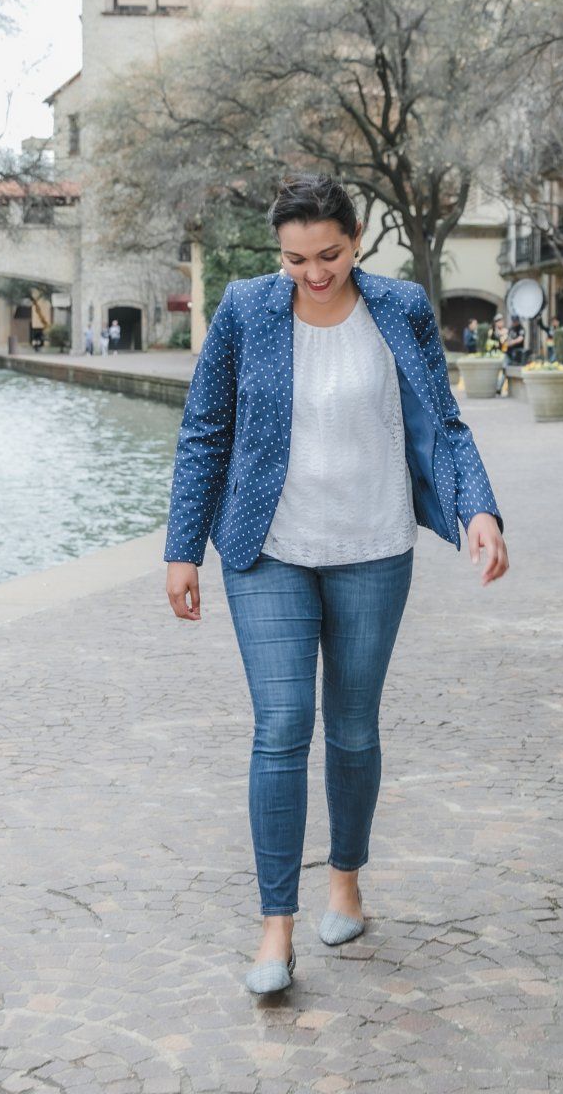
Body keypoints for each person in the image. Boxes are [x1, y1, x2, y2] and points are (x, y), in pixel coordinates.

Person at [164, 174, 510, 997]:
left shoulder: (401, 308)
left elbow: (444, 423)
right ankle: (274, 930)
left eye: (330, 254)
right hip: (268, 547)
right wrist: (183, 548)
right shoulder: (248, 310)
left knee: (352, 727)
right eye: (295, 258)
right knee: (282, 723)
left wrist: (479, 511)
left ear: (358, 239)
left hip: (374, 543)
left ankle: (346, 878)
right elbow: (204, 430)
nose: (314, 273)